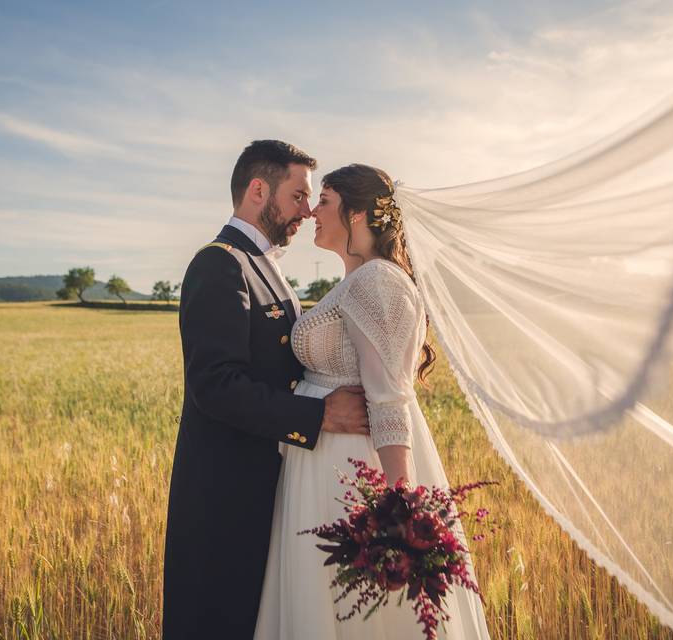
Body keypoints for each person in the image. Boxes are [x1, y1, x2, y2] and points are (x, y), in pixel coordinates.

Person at [254, 164, 491, 639]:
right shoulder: (356, 281)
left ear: (357, 214)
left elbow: (387, 401)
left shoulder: (377, 282)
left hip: (349, 467)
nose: (313, 212)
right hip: (325, 460)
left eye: (324, 201)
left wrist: (399, 505)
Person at [162, 140, 371, 639]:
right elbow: (215, 385)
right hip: (224, 502)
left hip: (266, 489)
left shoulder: (263, 265)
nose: (307, 209)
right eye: (298, 195)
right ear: (259, 190)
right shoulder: (220, 263)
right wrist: (320, 416)